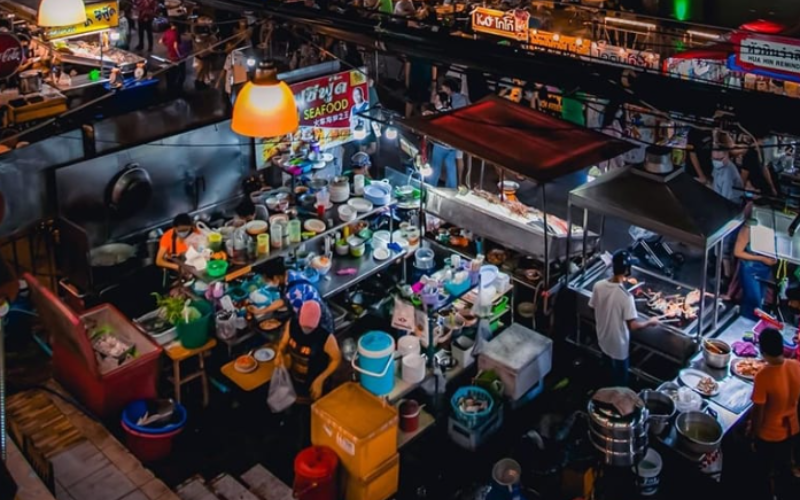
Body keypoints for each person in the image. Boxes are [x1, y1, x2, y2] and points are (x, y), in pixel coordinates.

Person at [589, 251, 659, 386]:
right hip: (619, 346)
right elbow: (633, 326)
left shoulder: (598, 285)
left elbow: (592, 307)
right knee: (621, 381)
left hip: (603, 338)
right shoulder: (626, 297)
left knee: (607, 372)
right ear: (627, 270)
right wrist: (650, 322)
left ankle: (605, 393)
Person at [750, 327, 800, 500]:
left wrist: (753, 436)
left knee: (763, 475)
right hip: (792, 429)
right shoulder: (796, 366)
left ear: (762, 350)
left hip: (769, 435)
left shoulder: (763, 375)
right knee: (783, 468)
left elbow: (758, 412)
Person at [276, 300, 341, 402]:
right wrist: (279, 353)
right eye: (304, 325)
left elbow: (336, 359)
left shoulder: (325, 337)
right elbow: (284, 343)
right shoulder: (292, 324)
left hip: (314, 382)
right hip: (294, 378)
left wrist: (320, 380)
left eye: (309, 327)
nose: (306, 329)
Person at [249, 260, 334, 332]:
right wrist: (261, 311)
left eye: (266, 280)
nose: (265, 282)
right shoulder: (290, 273)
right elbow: (284, 300)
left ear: (275, 278)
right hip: (319, 316)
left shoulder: (295, 292)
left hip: (320, 326)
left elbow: (301, 322)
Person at [734, 217, 777, 319]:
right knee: (753, 302)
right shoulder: (749, 228)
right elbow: (737, 252)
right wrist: (762, 258)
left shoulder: (773, 227)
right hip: (751, 269)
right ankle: (746, 327)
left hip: (765, 270)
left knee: (760, 301)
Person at [441, 78, 470, 185]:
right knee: (459, 157)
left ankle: (457, 181)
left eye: (443, 88)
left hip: (457, 131)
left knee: (456, 157)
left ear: (448, 88)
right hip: (464, 130)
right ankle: (460, 181)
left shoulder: (453, 100)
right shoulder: (464, 98)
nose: (442, 90)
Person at [161, 21, 186, 95]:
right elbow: (175, 46)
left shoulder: (167, 32)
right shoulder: (176, 34)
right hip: (177, 58)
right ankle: (178, 90)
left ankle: (170, 89)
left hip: (169, 56)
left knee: (171, 74)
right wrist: (180, 55)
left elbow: (161, 41)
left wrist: (167, 46)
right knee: (181, 74)